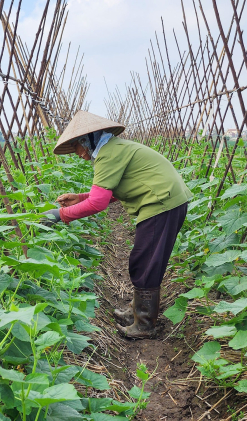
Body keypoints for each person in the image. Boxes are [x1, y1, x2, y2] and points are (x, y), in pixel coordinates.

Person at [41, 111, 192, 338]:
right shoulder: (113, 149)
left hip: (161, 202)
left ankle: (144, 325)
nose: (78, 154)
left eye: (76, 147)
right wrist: (79, 198)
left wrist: (60, 215)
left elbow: (98, 203)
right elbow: (111, 192)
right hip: (165, 200)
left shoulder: (108, 154)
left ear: (87, 139)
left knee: (145, 262)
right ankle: (135, 313)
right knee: (145, 260)